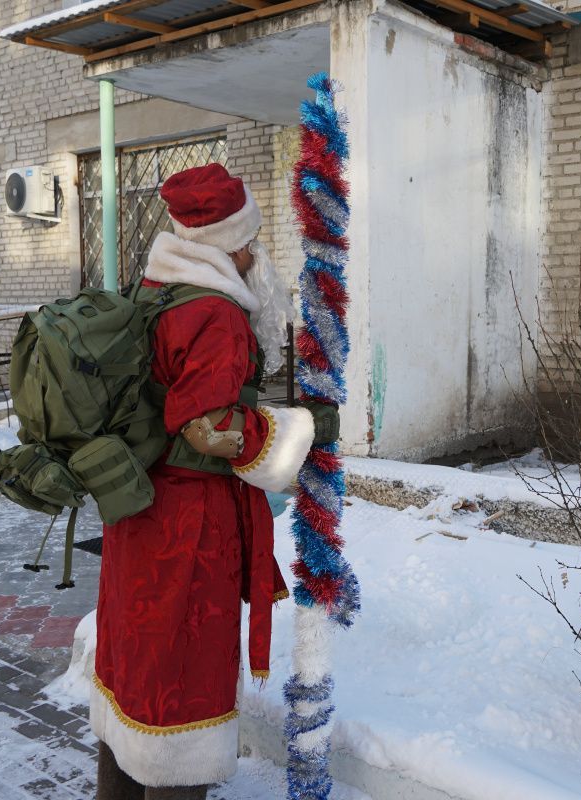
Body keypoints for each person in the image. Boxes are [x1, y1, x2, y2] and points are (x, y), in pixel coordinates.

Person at [93, 164, 336, 799]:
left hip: (135, 510)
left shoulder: (155, 289)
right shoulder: (217, 313)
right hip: (188, 527)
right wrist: (299, 430)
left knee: (137, 671)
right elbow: (207, 424)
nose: (256, 250)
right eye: (250, 238)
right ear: (230, 241)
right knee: (182, 684)